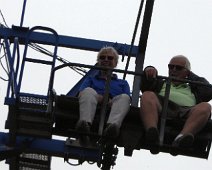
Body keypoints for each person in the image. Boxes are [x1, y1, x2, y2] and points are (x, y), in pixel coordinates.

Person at [140, 55, 212, 154]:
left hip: (186, 111)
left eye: (178, 68)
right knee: (147, 95)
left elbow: (208, 92)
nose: (173, 70)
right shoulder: (160, 83)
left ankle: (181, 137)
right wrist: (149, 69)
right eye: (171, 67)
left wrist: (190, 75)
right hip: (162, 105)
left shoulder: (193, 88)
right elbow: (145, 86)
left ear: (186, 72)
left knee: (206, 106)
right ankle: (151, 131)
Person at [76, 46, 131, 143]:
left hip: (114, 102)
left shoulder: (123, 83)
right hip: (95, 99)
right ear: (98, 61)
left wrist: (110, 101)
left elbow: (126, 100)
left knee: (125, 98)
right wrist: (101, 99)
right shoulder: (91, 80)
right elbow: (81, 93)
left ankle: (112, 127)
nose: (106, 60)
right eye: (102, 57)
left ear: (115, 63)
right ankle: (85, 124)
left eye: (110, 58)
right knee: (88, 91)